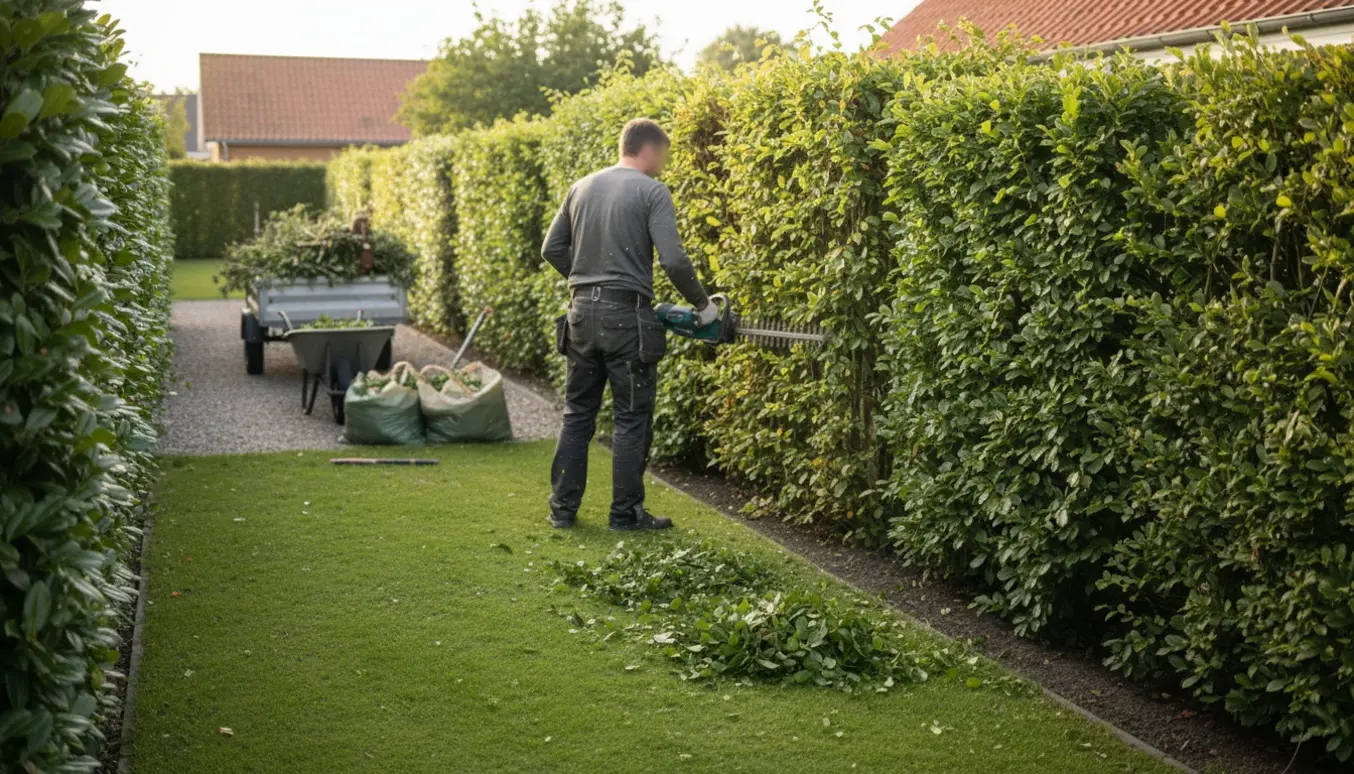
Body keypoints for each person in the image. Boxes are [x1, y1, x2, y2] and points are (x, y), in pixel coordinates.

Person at [541, 118, 718, 531]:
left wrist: (585, 280)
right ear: (650, 149)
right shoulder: (652, 191)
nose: (665, 163)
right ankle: (625, 515)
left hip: (580, 315)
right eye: (665, 154)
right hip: (627, 321)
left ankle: (562, 511)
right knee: (631, 417)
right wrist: (702, 305)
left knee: (577, 414)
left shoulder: (581, 187)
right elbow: (673, 260)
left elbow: (552, 249)